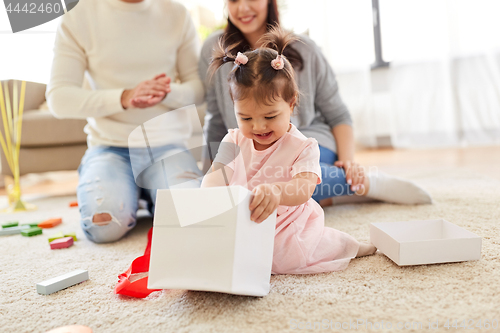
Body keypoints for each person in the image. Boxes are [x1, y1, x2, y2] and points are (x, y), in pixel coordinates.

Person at [199, 0, 432, 206]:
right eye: (233, 0)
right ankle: (333, 195)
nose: (242, 8)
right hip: (252, 148)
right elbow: (215, 118)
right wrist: (208, 174)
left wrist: (348, 163)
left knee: (278, 183)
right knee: (247, 188)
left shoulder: (305, 48)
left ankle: (361, 182)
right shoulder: (214, 48)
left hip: (311, 141)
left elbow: (338, 114)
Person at [202, 27, 376, 274]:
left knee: (293, 255)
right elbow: (216, 175)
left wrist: (276, 191)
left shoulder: (303, 146)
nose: (259, 126)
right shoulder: (233, 139)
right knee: (221, 252)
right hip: (243, 218)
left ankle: (351, 246)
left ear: (291, 103)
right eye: (246, 117)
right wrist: (207, 196)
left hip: (286, 222)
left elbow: (304, 188)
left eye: (270, 116)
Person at [47, 0, 204, 243]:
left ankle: (147, 195)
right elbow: (58, 97)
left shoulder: (176, 13)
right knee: (104, 227)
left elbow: (198, 88)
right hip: (110, 148)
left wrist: (165, 92)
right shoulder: (78, 16)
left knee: (192, 219)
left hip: (167, 148)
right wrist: (124, 97)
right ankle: (136, 194)